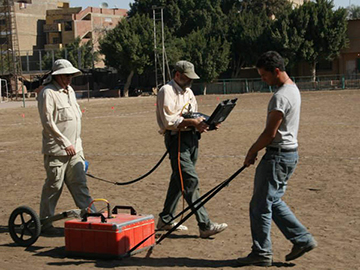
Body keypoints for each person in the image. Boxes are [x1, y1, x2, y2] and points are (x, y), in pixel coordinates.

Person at [237, 51, 317, 266]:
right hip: (288, 154)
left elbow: (269, 133)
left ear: (276, 71)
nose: (263, 80)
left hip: (277, 156)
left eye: (264, 75)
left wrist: (252, 151)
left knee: (260, 206)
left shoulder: (280, 96)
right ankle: (302, 239)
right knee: (272, 200)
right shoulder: (293, 90)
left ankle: (262, 253)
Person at [156, 60, 228, 238]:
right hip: (177, 140)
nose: (190, 81)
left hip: (192, 140)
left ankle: (165, 219)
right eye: (187, 77)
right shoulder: (166, 91)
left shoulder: (188, 92)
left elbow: (193, 115)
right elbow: (169, 121)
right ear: (177, 75)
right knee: (189, 180)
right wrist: (192, 122)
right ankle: (205, 224)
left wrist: (207, 124)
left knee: (178, 179)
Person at [37, 59, 95, 234]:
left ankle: (92, 218)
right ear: (57, 75)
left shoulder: (69, 90)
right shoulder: (48, 93)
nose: (69, 79)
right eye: (65, 76)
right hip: (56, 150)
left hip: (75, 149)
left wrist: (78, 149)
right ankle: (45, 223)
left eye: (70, 75)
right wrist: (64, 143)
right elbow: (48, 123)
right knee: (54, 186)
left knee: (80, 183)